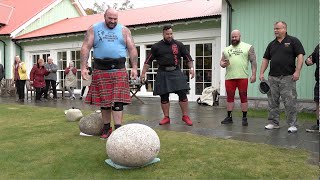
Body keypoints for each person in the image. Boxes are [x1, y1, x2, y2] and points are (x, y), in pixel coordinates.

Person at [80, 8, 138, 139]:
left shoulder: (124, 30)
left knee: (118, 102)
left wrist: (134, 67)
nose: (112, 21)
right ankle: (106, 128)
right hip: (101, 70)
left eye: (115, 19)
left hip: (118, 69)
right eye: (110, 18)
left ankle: (118, 128)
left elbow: (132, 48)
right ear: (104, 17)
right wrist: (83, 67)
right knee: (104, 102)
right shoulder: (94, 29)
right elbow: (85, 47)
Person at [140, 25, 195, 126]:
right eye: (167, 34)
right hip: (163, 72)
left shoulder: (179, 45)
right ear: (163, 34)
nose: (169, 36)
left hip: (176, 71)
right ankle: (166, 117)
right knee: (164, 95)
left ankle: (185, 116)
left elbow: (188, 58)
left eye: (171, 33)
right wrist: (143, 73)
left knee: (182, 93)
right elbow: (148, 61)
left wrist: (191, 68)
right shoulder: (156, 46)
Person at [260, 21, 305, 133]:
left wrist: (298, 71)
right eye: (274, 28)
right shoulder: (271, 44)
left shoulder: (293, 41)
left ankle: (292, 124)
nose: (275, 30)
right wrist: (261, 73)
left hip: (288, 77)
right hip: (272, 78)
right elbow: (266, 59)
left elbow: (300, 56)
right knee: (272, 101)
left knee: (290, 101)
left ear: (284, 28)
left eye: (278, 28)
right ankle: (273, 123)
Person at [220, 29, 257, 126]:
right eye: (232, 37)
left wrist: (253, 74)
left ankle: (244, 118)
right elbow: (221, 62)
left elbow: (253, 61)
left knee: (243, 97)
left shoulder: (248, 47)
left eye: (236, 36)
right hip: (229, 77)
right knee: (229, 98)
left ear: (240, 36)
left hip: (242, 77)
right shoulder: (226, 49)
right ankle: (229, 117)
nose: (234, 38)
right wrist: (223, 64)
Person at [305, 44, 319, 133]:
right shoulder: (318, 47)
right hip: (319, 81)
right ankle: (319, 124)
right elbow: (310, 59)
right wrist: (308, 61)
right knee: (318, 102)